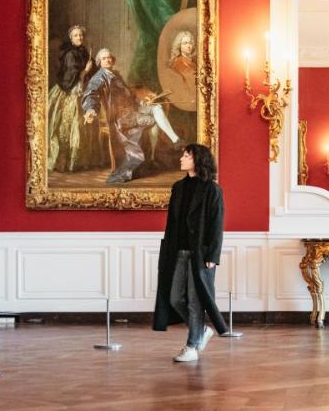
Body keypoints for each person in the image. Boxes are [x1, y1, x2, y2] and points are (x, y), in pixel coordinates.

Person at [152, 143, 228, 362]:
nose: (181, 159)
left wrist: (212, 256)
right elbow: (171, 224)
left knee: (196, 302)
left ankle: (192, 346)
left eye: (186, 155)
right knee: (175, 298)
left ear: (198, 160)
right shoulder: (178, 187)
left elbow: (217, 224)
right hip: (177, 252)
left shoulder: (212, 189)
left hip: (201, 255)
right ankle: (202, 331)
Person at [82, 48, 184, 184]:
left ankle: (176, 140)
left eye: (110, 57)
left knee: (157, 106)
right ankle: (151, 155)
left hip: (131, 110)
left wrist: (142, 101)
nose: (108, 60)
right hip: (122, 117)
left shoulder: (115, 74)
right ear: (99, 62)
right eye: (104, 58)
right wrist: (91, 110)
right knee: (152, 119)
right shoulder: (99, 77)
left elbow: (127, 95)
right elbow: (91, 94)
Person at [47, 25, 100, 172]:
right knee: (70, 123)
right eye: (76, 36)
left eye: (81, 35)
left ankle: (82, 161)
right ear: (71, 38)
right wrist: (85, 71)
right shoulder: (70, 54)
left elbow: (93, 71)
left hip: (83, 90)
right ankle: (66, 162)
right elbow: (72, 74)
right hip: (70, 90)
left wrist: (93, 69)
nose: (79, 38)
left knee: (86, 122)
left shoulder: (84, 52)